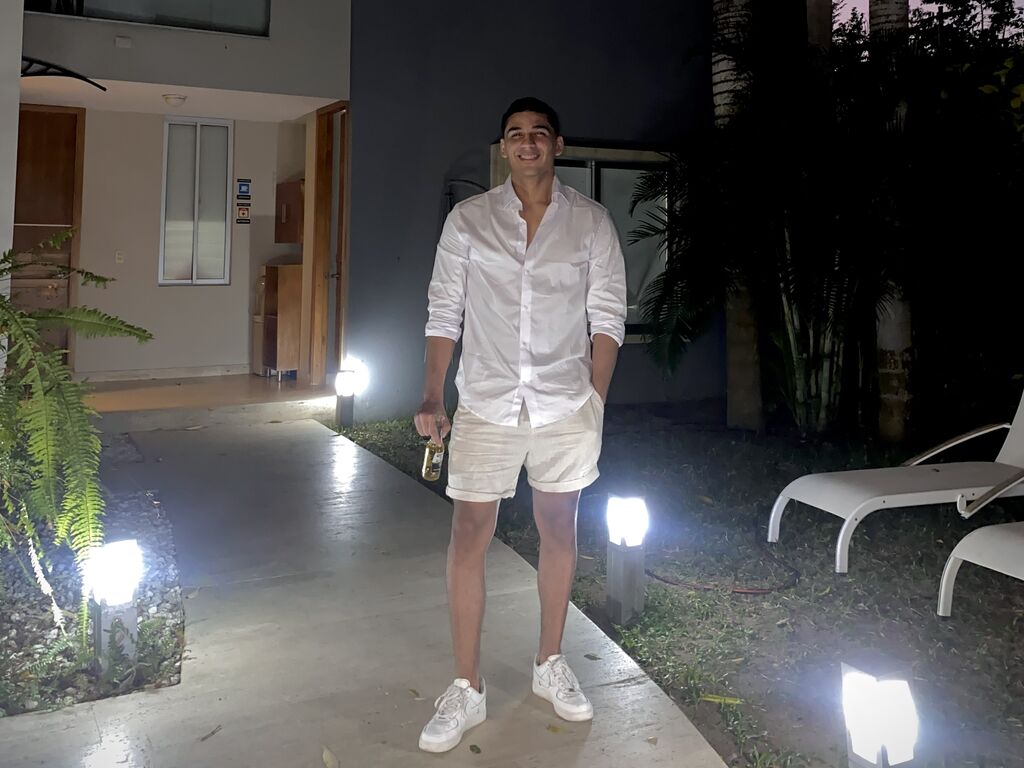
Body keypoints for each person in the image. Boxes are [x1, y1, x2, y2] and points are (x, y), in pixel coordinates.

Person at [414, 96, 627, 754]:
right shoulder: (469, 221)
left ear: (557, 145)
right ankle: (466, 685)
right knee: (468, 534)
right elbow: (444, 310)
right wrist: (433, 393)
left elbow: (607, 314)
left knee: (559, 527)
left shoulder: (590, 223)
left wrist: (595, 399)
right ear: (503, 148)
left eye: (539, 133)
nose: (527, 142)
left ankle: (549, 662)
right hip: (487, 401)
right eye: (515, 134)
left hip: (565, 404)